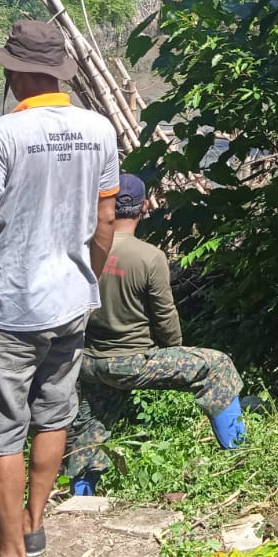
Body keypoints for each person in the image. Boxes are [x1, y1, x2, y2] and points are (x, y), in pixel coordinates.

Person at [0, 20, 118, 557]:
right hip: (72, 302)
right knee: (53, 415)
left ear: (18, 73)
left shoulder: (3, 135)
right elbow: (106, 220)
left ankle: (12, 555)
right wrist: (85, 275)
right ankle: (34, 525)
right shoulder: (98, 128)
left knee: (2, 431)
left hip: (14, 308)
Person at [64, 174, 246, 495]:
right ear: (144, 207)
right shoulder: (149, 256)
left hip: (87, 363)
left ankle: (81, 497)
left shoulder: (81, 250)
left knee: (89, 426)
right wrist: (171, 351)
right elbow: (166, 320)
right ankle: (241, 454)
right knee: (217, 366)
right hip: (133, 362)